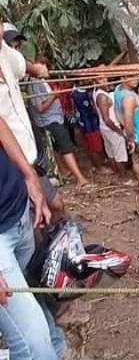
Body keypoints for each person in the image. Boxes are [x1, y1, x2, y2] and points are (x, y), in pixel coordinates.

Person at [0, 115, 66, 360]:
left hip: (17, 209)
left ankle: (57, 345)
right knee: (33, 346)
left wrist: (28, 176)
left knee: (34, 285)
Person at [0, 23, 66, 219]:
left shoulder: (4, 52)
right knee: (29, 217)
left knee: (55, 204)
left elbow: (23, 65)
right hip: (8, 162)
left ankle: (63, 243)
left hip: (28, 154)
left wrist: (38, 69)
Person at [26, 67, 90, 187]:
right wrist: (54, 95)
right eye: (44, 67)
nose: (46, 70)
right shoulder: (34, 83)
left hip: (54, 118)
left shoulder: (41, 81)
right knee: (66, 148)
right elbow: (40, 108)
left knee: (56, 148)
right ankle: (80, 178)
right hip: (49, 121)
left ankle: (64, 171)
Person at [70, 80, 109, 172]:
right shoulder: (78, 94)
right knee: (94, 146)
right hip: (88, 123)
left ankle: (100, 163)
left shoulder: (82, 91)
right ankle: (99, 167)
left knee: (95, 145)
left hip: (89, 122)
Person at [93, 77, 129, 177]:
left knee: (111, 152)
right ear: (95, 81)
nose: (105, 81)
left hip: (104, 128)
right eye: (101, 79)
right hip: (111, 127)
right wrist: (118, 131)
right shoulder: (102, 97)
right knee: (119, 155)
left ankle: (117, 172)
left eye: (105, 79)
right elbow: (107, 119)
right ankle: (124, 177)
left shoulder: (96, 92)